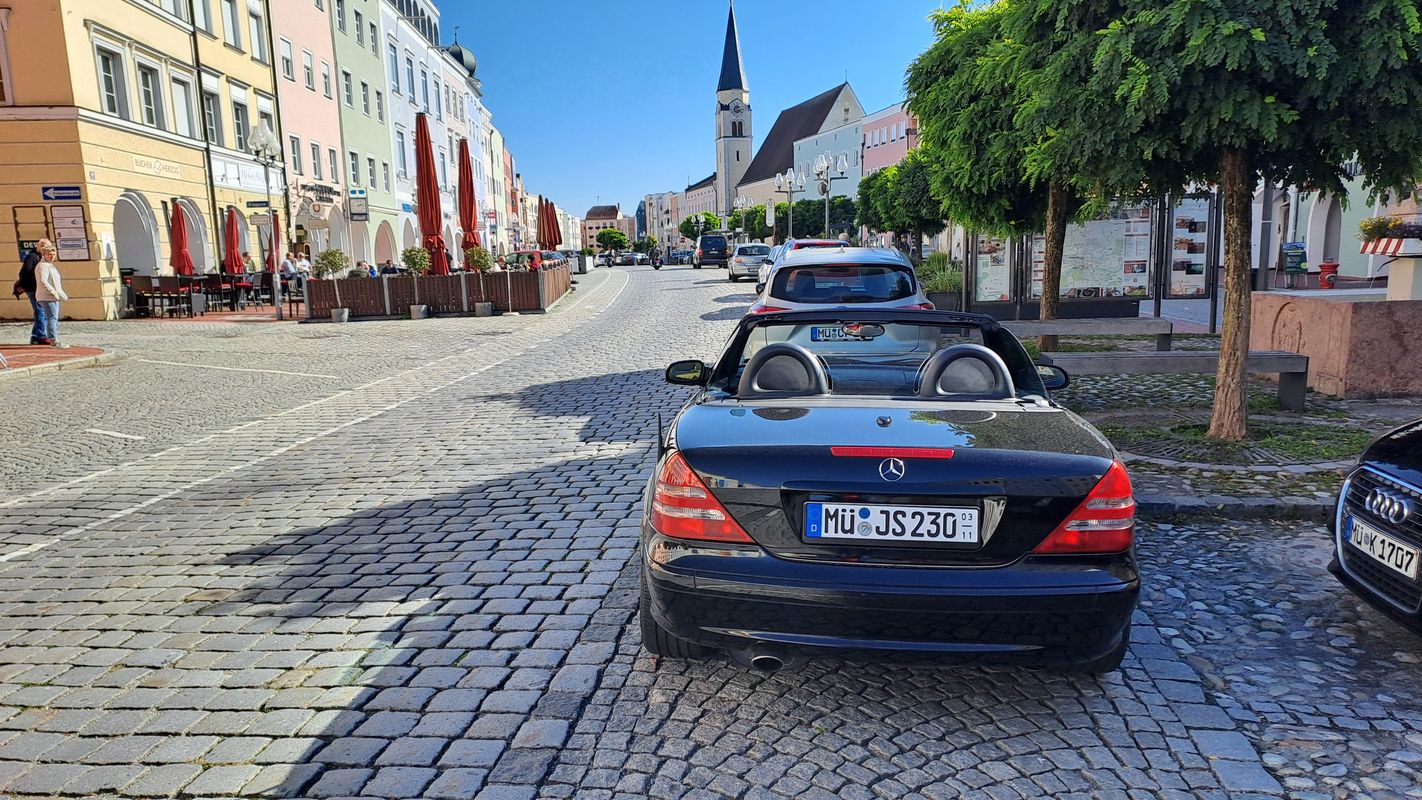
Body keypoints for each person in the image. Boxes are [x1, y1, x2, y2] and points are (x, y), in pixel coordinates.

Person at [10, 238, 50, 345]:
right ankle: (41, 336)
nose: (45, 248)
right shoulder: (32, 256)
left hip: (40, 288)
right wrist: (24, 286)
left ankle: (35, 336)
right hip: (32, 288)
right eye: (43, 246)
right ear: (38, 247)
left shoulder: (43, 258)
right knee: (40, 311)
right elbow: (24, 273)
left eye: (47, 246)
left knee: (41, 311)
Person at [33, 242, 67, 346]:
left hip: (52, 296)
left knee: (53, 317)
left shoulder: (50, 265)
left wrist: (60, 294)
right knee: (51, 318)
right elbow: (43, 281)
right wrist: (53, 292)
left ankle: (53, 339)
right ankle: (53, 340)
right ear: (44, 255)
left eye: (53, 254)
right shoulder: (43, 266)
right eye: (49, 254)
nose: (52, 256)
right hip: (46, 296)